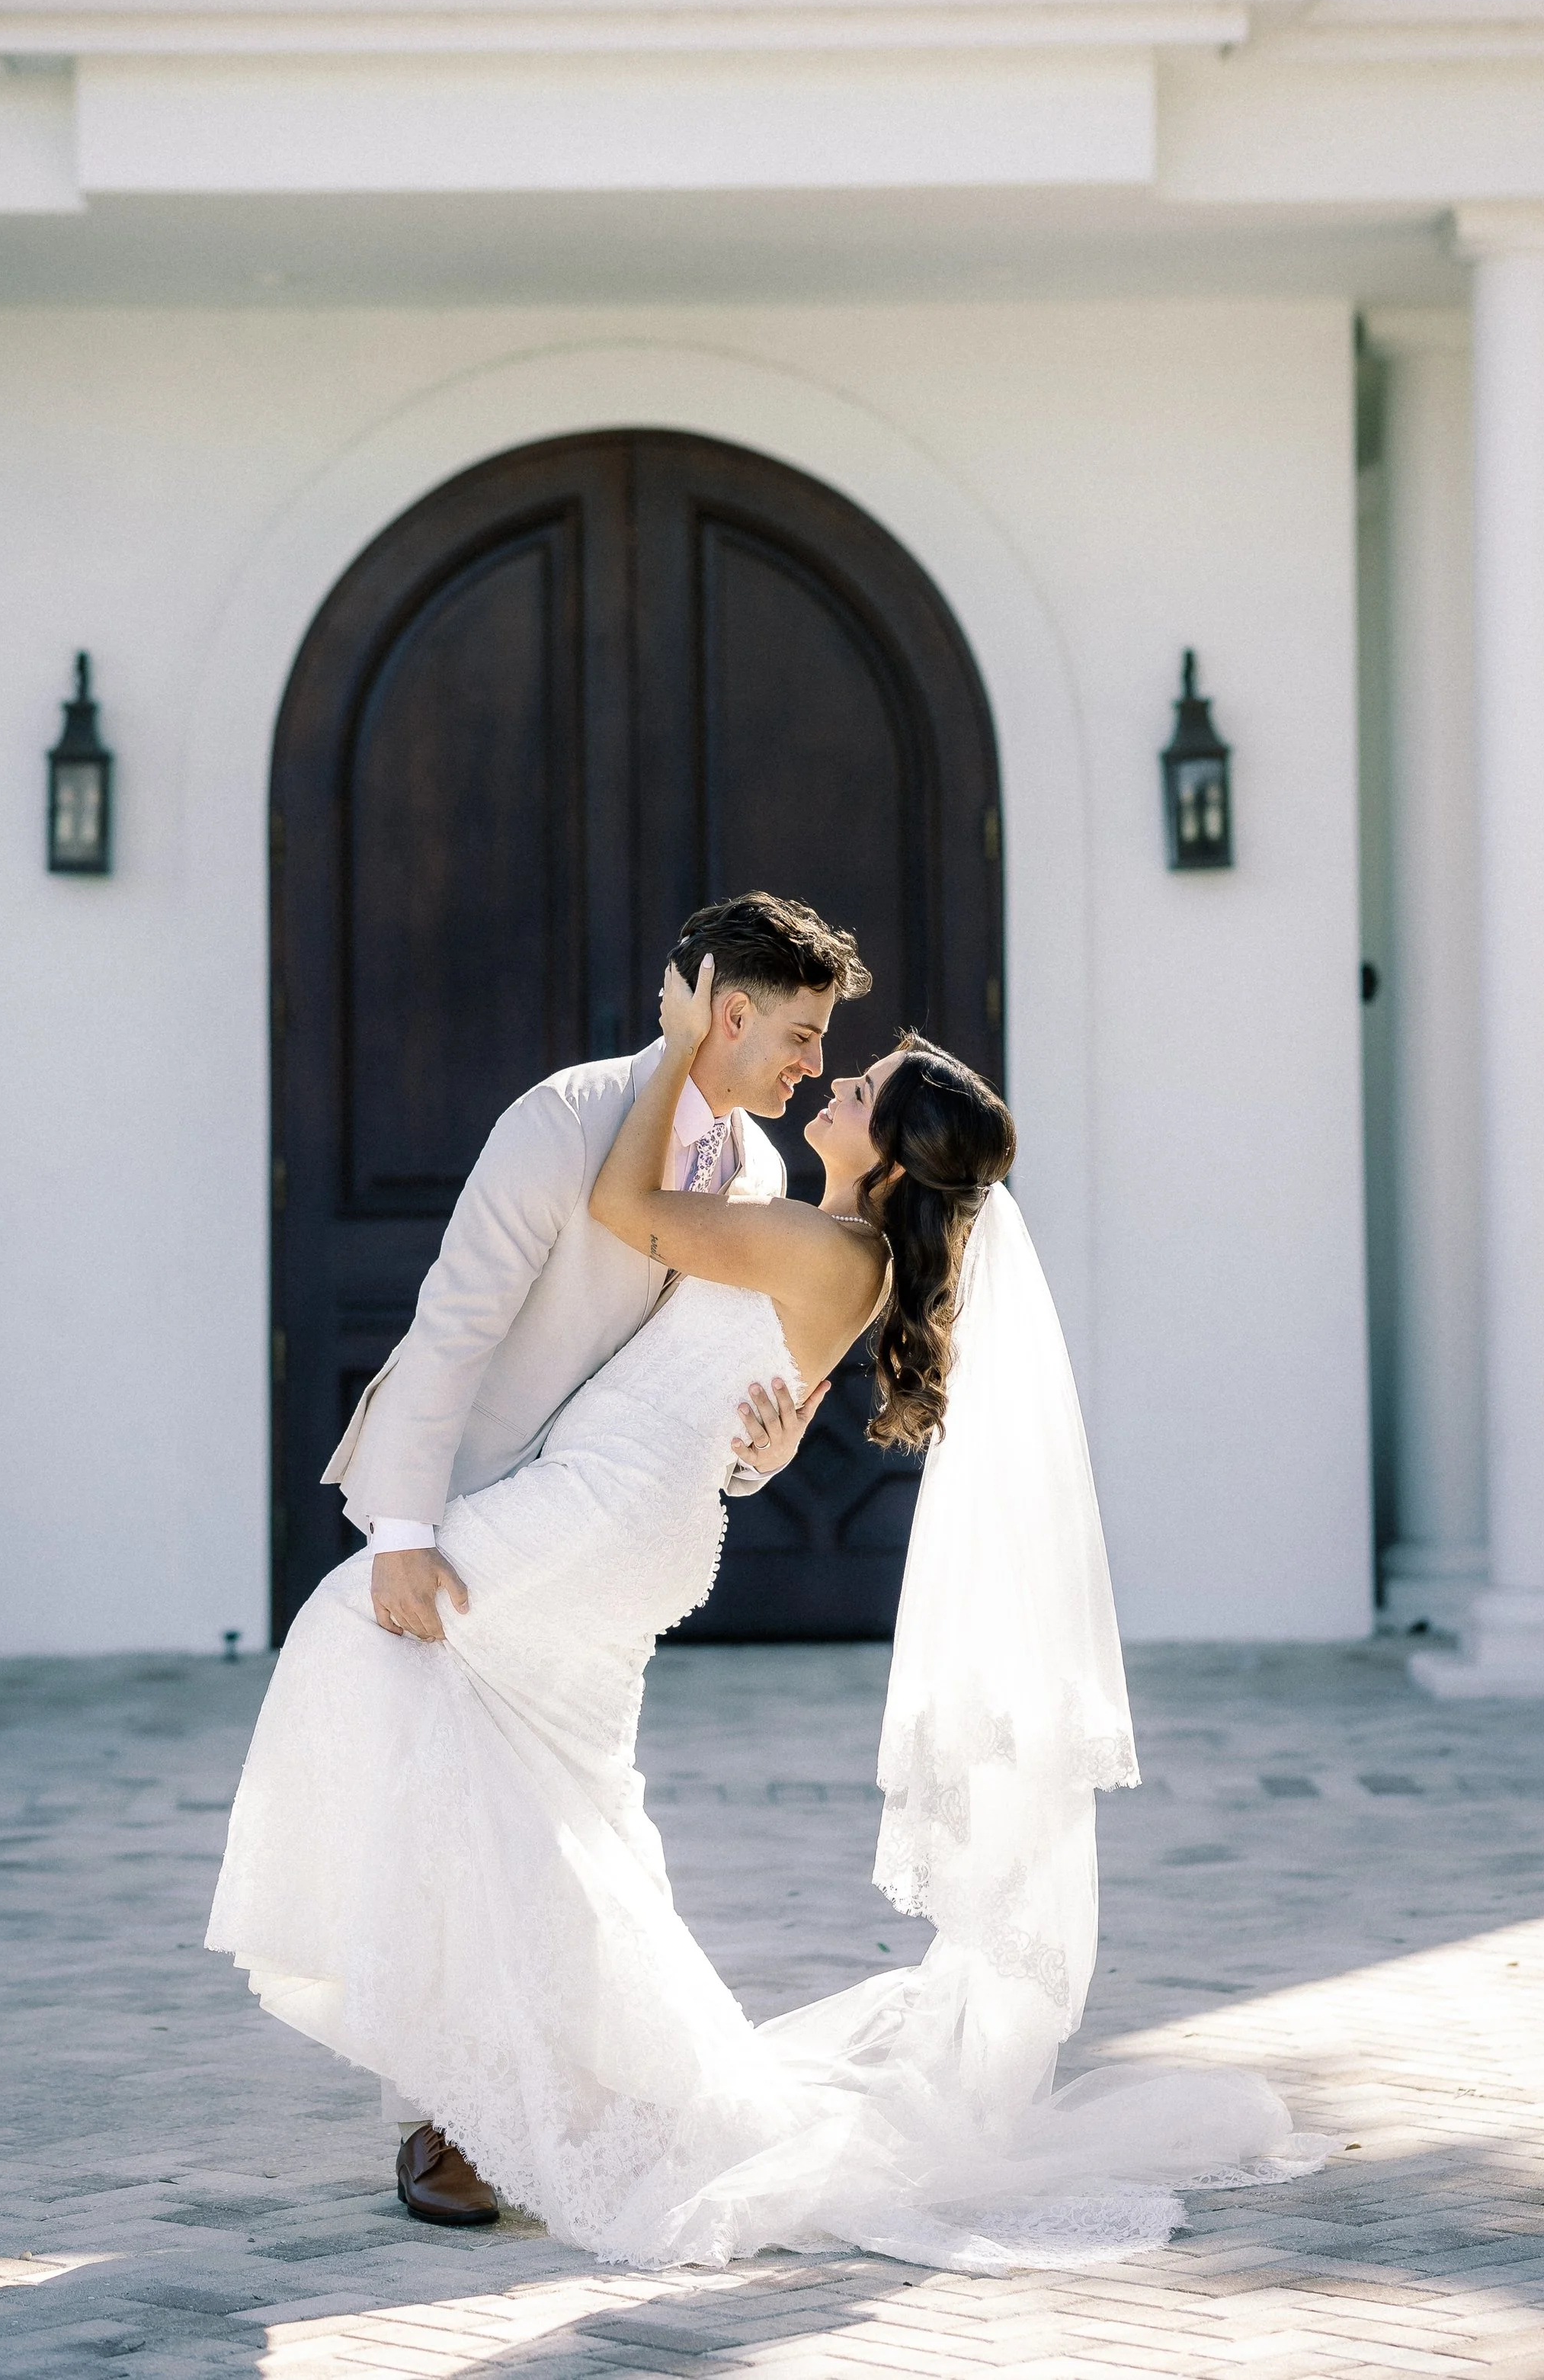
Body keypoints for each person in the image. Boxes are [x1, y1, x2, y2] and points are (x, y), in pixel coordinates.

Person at [209, 954, 1325, 2270]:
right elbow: (739, 1398)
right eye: (835, 1062)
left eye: (859, 1087)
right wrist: (766, 1449)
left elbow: (627, 1204)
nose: (833, 1082)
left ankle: (472, 2075)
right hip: (636, 1510)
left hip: (611, 1514)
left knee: (362, 1621)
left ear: (893, 1156)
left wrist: (684, 1042)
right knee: (558, 1792)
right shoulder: (821, 1230)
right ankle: (482, 2089)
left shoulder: (821, 1240)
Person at [303, 890, 871, 2219]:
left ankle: (559, 2084)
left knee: (571, 1811)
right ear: (727, 1014)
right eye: (796, 1034)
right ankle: (449, 2113)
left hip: (600, 1544)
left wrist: (763, 1455)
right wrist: (403, 1533)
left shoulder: (770, 1176)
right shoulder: (561, 1121)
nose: (809, 1065)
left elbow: (714, 1391)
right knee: (454, 1803)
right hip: (475, 1511)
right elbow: (451, 1324)